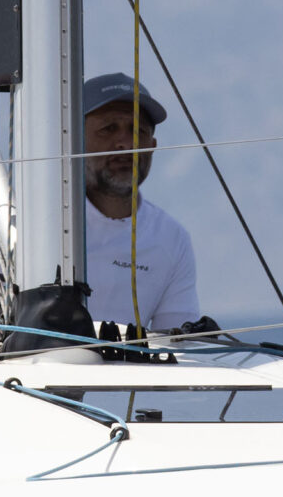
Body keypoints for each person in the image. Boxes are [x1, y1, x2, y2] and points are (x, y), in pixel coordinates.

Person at [81, 71, 199, 330]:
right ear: (73, 140)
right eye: (108, 129)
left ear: (152, 145)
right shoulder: (19, 225)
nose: (125, 143)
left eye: (138, 130)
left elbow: (180, 341)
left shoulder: (171, 238)